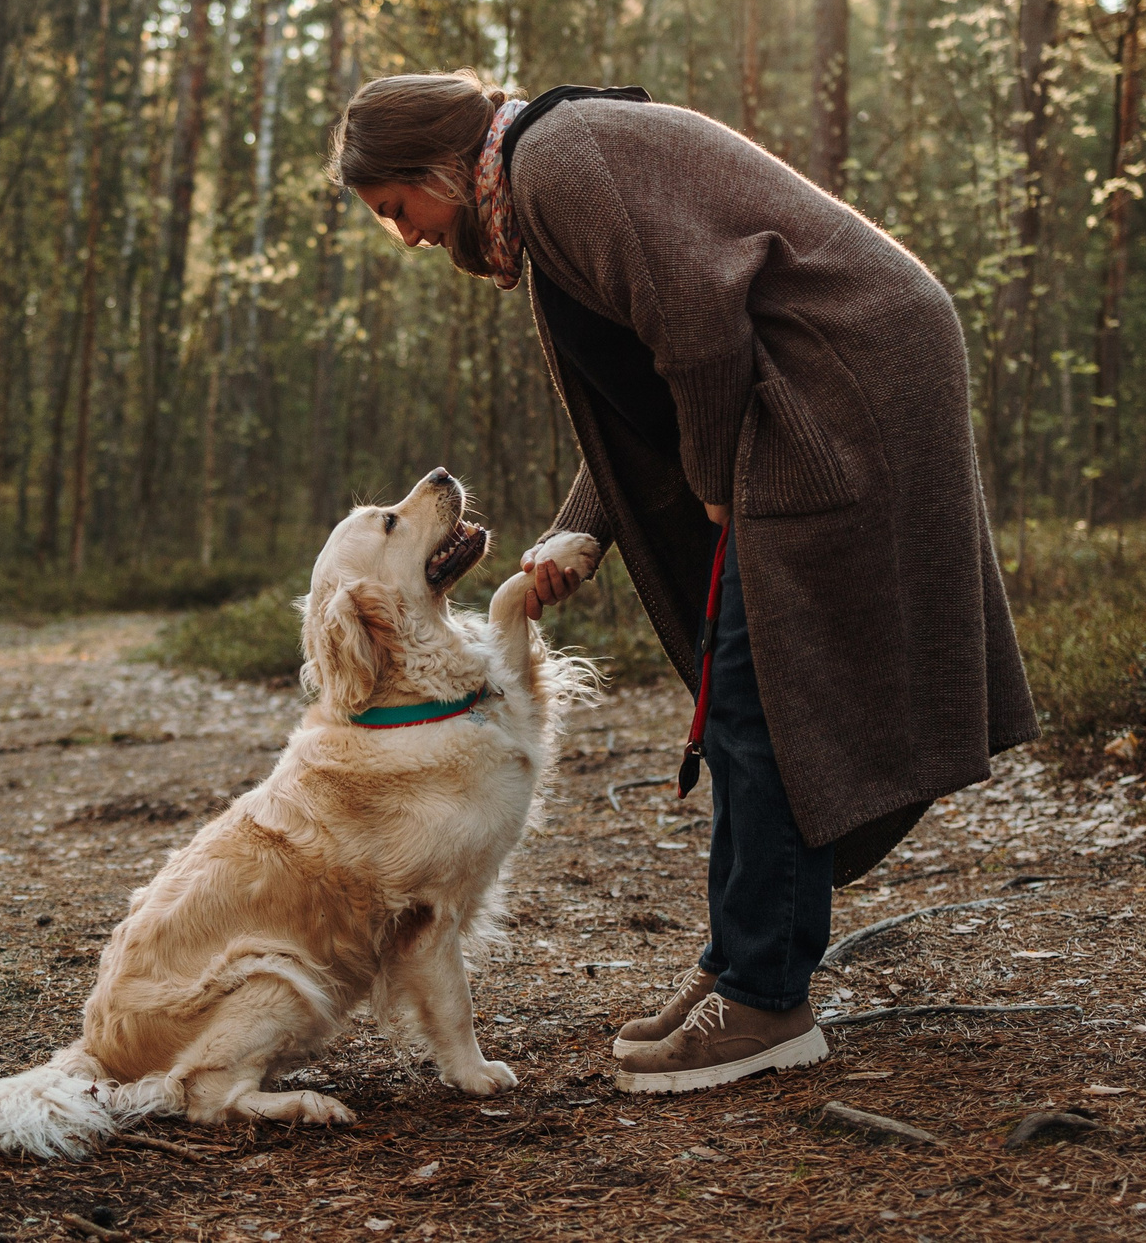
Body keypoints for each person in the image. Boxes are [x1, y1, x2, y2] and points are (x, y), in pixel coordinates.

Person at [326, 72, 1035, 1095]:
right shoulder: (541, 175)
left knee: (760, 690)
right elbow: (649, 388)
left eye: (397, 208)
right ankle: (738, 964)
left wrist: (711, 483)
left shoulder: (554, 163)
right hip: (810, 385)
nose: (405, 234)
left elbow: (703, 328)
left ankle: (763, 995)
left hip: (839, 383)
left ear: (436, 164)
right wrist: (579, 529)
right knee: (747, 685)